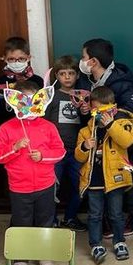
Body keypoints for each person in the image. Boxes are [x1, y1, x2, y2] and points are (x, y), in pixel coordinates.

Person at [0, 80, 65, 265]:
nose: (29, 105)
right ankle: (20, 258)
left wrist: (42, 156)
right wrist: (14, 148)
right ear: (14, 102)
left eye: (34, 100)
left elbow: (60, 152)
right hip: (19, 187)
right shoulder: (7, 128)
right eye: (23, 101)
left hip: (45, 185)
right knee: (21, 222)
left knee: (45, 221)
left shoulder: (48, 127)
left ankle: (44, 255)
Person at [77, 38, 133, 236]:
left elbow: (131, 111)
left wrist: (105, 114)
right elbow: (90, 109)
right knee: (102, 180)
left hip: (121, 139)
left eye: (84, 57)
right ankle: (107, 220)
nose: (81, 61)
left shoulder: (121, 80)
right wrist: (86, 109)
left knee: (125, 179)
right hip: (97, 139)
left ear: (94, 62)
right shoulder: (86, 80)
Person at [75, 87, 133, 264]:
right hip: (94, 180)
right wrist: (85, 147)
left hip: (114, 179)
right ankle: (96, 244)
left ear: (113, 108)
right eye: (96, 110)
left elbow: (127, 141)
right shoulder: (86, 131)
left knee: (116, 213)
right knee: (94, 215)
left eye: (104, 110)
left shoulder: (123, 124)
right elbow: (79, 157)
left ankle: (119, 242)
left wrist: (110, 124)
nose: (100, 114)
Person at [44, 56, 87, 231]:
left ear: (77, 75)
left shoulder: (84, 95)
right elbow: (44, 123)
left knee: (81, 185)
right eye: (62, 74)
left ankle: (70, 217)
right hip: (55, 152)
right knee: (52, 187)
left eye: (71, 73)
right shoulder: (51, 96)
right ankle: (51, 219)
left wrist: (85, 111)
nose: (67, 77)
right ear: (57, 76)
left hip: (77, 150)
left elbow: (88, 124)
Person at [0, 36, 44, 128]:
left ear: (28, 58)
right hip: (9, 129)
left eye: (21, 59)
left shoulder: (37, 81)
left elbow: (42, 108)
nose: (17, 62)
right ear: (5, 59)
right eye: (12, 59)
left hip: (33, 127)